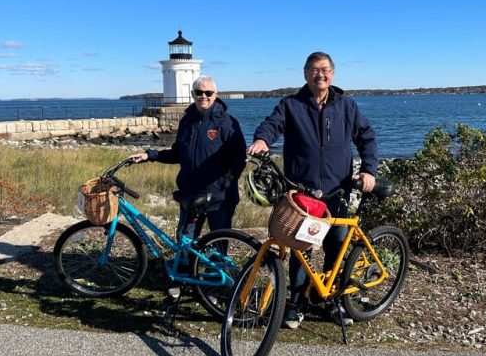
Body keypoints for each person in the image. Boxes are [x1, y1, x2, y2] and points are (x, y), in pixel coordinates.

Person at [247, 51, 378, 329]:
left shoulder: (347, 106)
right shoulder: (291, 104)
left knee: (336, 247)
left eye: (325, 69)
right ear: (305, 74)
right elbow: (272, 125)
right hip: (303, 195)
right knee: (300, 250)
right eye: (314, 70)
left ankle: (333, 300)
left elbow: (366, 137)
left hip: (337, 192)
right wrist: (261, 140)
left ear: (333, 74)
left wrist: (369, 169)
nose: (321, 74)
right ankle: (296, 304)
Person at [131, 75, 247, 297]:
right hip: (190, 194)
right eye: (198, 93)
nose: (203, 97)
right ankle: (182, 279)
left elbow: (238, 160)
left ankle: (214, 286)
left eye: (208, 93)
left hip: (219, 197)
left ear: (216, 95)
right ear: (192, 94)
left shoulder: (227, 123)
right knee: (186, 240)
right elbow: (177, 153)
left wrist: (220, 186)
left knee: (218, 243)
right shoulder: (187, 121)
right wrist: (151, 154)